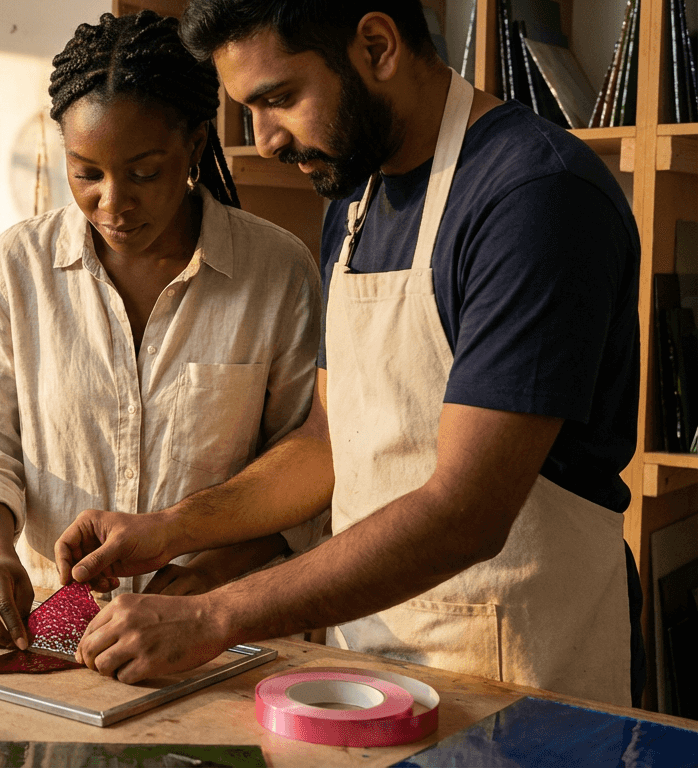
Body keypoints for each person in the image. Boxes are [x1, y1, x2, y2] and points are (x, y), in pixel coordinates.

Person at [54, 0, 642, 708]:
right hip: (373, 660)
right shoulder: (355, 198)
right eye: (250, 110)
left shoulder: (535, 198)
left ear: (377, 45)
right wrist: (169, 530)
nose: (267, 139)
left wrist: (215, 615)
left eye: (279, 99)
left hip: (521, 669)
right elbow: (328, 441)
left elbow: (468, 510)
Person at [0, 10, 327, 652]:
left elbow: (304, 477)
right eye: (86, 172)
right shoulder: (19, 268)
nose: (113, 203)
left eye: (144, 172)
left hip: (227, 634)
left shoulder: (277, 272)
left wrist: (197, 585)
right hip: (52, 636)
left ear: (196, 147)